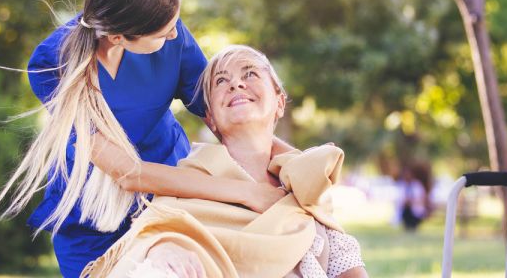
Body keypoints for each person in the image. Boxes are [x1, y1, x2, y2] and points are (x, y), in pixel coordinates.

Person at [0, 0, 288, 277]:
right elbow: (128, 172)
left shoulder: (167, 24)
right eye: (163, 34)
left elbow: (234, 120)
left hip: (169, 202)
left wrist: (294, 166)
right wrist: (245, 192)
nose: (175, 36)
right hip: (93, 218)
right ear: (118, 37)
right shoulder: (52, 65)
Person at [83, 45, 368, 278]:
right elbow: (149, 233)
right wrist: (159, 249)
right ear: (211, 119)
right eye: (221, 81)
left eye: (251, 74)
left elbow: (347, 268)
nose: (237, 84)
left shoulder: (305, 189)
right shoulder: (189, 183)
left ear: (279, 103)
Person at [395, 162, 433, 232]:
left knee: (413, 223)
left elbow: (422, 198)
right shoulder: (401, 185)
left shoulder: (417, 185)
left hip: (416, 211)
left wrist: (411, 201)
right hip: (405, 211)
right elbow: (400, 199)